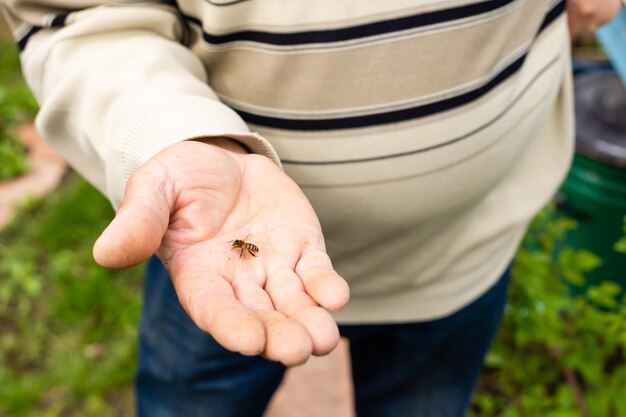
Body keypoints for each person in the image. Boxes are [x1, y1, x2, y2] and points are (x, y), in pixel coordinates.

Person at [0, 0, 620, 415]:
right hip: (221, 266)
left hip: (466, 251)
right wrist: (175, 132)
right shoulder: (233, 248)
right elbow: (77, 15)